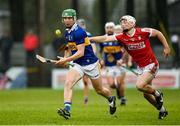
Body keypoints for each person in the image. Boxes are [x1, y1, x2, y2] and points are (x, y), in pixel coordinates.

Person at [90, 15, 171, 119]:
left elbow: (158, 33)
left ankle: (158, 94)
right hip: (141, 67)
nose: (122, 24)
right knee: (146, 94)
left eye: (125, 22)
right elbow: (105, 38)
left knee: (140, 85)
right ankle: (162, 110)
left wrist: (167, 47)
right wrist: (89, 39)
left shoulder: (142, 31)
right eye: (122, 22)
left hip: (151, 64)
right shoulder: (121, 36)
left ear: (133, 23)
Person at [55, 9, 116, 119]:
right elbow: (69, 47)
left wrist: (66, 60)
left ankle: (111, 98)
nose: (67, 20)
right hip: (78, 64)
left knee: (99, 90)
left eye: (69, 18)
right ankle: (67, 110)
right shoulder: (67, 32)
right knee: (68, 83)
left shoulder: (79, 32)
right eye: (65, 18)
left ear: (74, 19)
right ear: (62, 20)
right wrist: (65, 57)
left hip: (91, 64)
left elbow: (80, 52)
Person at [99, 22, 131, 105]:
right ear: (105, 29)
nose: (109, 29)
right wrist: (101, 60)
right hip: (109, 66)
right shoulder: (103, 39)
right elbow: (100, 52)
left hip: (120, 65)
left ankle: (122, 98)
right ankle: (117, 90)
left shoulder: (118, 38)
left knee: (120, 83)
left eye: (111, 27)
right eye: (107, 27)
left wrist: (121, 59)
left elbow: (127, 49)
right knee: (112, 84)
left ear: (113, 29)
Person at [76, 18, 97, 104]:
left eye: (82, 24)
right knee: (73, 81)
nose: (81, 26)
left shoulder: (88, 34)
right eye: (79, 24)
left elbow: (93, 46)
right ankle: (69, 101)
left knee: (87, 81)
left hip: (87, 60)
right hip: (78, 60)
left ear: (84, 25)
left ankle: (86, 97)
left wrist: (93, 55)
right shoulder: (75, 34)